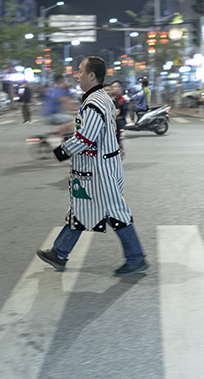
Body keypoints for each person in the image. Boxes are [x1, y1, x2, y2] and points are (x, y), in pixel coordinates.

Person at [37, 56, 148, 276]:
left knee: (115, 212)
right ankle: (59, 253)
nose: (76, 75)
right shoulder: (98, 98)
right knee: (81, 209)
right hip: (97, 168)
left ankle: (135, 258)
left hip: (100, 171)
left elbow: (86, 137)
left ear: (91, 75)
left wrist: (62, 151)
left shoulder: (95, 102)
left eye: (79, 71)